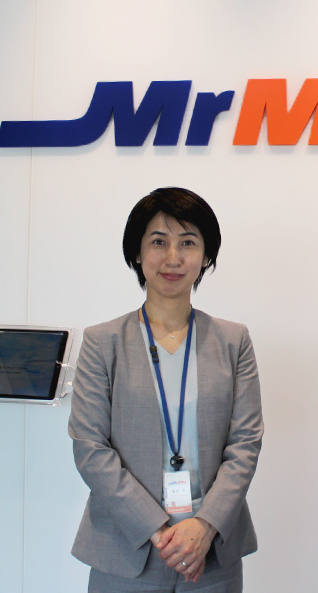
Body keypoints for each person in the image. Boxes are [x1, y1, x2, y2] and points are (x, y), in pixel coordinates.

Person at [69, 187, 263, 593]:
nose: (173, 257)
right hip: (126, 551)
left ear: (206, 256)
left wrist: (204, 525)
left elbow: (245, 444)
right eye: (158, 242)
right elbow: (90, 448)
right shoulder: (103, 342)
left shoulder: (233, 341)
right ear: (137, 253)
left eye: (188, 243)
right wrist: (158, 531)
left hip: (212, 553)